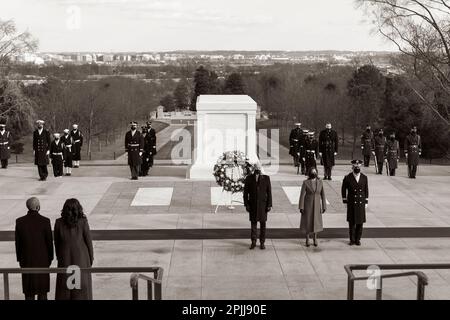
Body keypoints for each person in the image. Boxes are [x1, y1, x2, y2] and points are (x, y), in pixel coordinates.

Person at [54, 199, 94, 300]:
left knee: (65, 288)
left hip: (65, 258)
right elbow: (88, 242)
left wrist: (60, 257)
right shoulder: (83, 222)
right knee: (81, 287)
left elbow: (57, 243)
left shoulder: (58, 223)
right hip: (82, 259)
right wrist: (90, 259)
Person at [15, 197, 54, 300]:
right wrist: (50, 258)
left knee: (29, 293)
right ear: (38, 207)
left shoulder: (19, 221)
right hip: (43, 261)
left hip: (27, 261)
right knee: (43, 293)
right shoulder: (45, 221)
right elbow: (49, 243)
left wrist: (20, 260)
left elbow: (18, 244)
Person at [243, 163, 272, 250]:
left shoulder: (266, 178)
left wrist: (269, 204)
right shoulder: (249, 178)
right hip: (253, 205)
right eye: (256, 167)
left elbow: (269, 192)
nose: (258, 169)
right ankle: (253, 242)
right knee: (253, 225)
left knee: (263, 225)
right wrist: (246, 204)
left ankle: (262, 242)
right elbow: (245, 193)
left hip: (263, 206)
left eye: (259, 167)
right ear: (254, 168)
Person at [342, 160, 369, 246]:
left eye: (358, 168)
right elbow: (343, 189)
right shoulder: (348, 177)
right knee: (352, 222)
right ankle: (352, 239)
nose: (357, 169)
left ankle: (358, 239)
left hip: (360, 203)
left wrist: (366, 201)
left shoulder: (364, 177)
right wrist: (345, 201)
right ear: (352, 168)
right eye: (355, 168)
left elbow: (366, 190)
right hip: (351, 202)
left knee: (360, 222)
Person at [299, 168, 327, 247]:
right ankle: (307, 239)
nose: (314, 173)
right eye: (312, 171)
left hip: (317, 205)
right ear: (310, 173)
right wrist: (301, 206)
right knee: (307, 221)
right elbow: (302, 195)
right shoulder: (306, 182)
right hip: (308, 205)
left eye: (315, 172)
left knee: (316, 222)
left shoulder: (320, 182)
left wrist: (324, 206)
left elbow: (323, 195)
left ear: (317, 173)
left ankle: (315, 238)